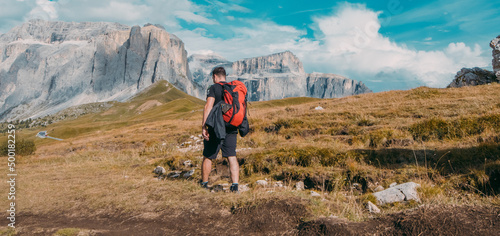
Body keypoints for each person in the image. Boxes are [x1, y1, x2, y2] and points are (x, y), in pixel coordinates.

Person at [200, 67, 240, 192]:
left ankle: (204, 184)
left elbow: (208, 106)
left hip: (216, 127)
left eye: (213, 78)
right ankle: (235, 186)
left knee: (208, 155)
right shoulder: (232, 88)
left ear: (215, 76)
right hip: (231, 125)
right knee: (231, 155)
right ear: (224, 76)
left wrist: (204, 126)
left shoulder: (214, 88)